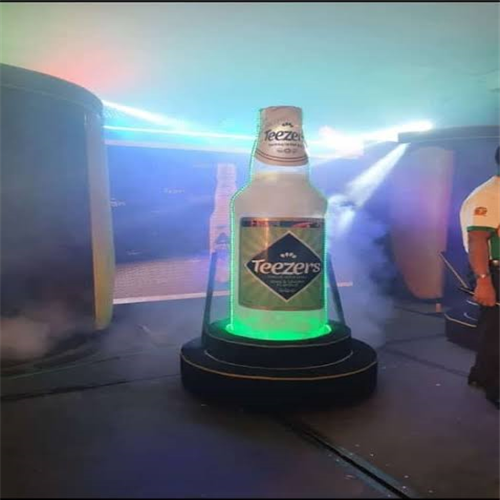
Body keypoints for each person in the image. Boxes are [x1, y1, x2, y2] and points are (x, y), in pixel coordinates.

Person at [459, 145, 500, 409]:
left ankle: (481, 374)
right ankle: (496, 387)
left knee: (493, 328)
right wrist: (484, 281)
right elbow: (477, 240)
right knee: (496, 332)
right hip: (494, 271)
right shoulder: (489, 195)